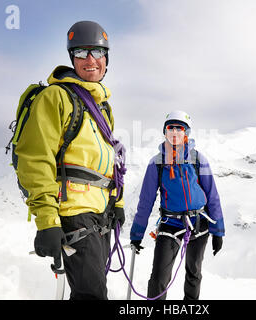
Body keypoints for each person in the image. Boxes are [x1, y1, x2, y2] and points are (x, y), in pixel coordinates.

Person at [15, 21, 126, 300]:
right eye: (80, 53)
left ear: (106, 58)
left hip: (101, 214)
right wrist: (47, 222)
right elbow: (36, 159)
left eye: (97, 53)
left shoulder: (102, 108)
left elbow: (110, 163)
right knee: (92, 295)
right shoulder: (56, 98)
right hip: (74, 214)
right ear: (71, 58)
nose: (90, 60)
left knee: (94, 291)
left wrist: (118, 202)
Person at [130, 110, 225, 300]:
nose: (174, 132)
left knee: (193, 273)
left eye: (179, 128)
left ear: (186, 133)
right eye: (169, 128)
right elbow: (145, 202)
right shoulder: (156, 163)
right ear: (164, 132)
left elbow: (212, 195)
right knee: (159, 277)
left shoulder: (198, 160)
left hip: (199, 222)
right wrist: (136, 234)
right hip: (170, 223)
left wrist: (218, 231)